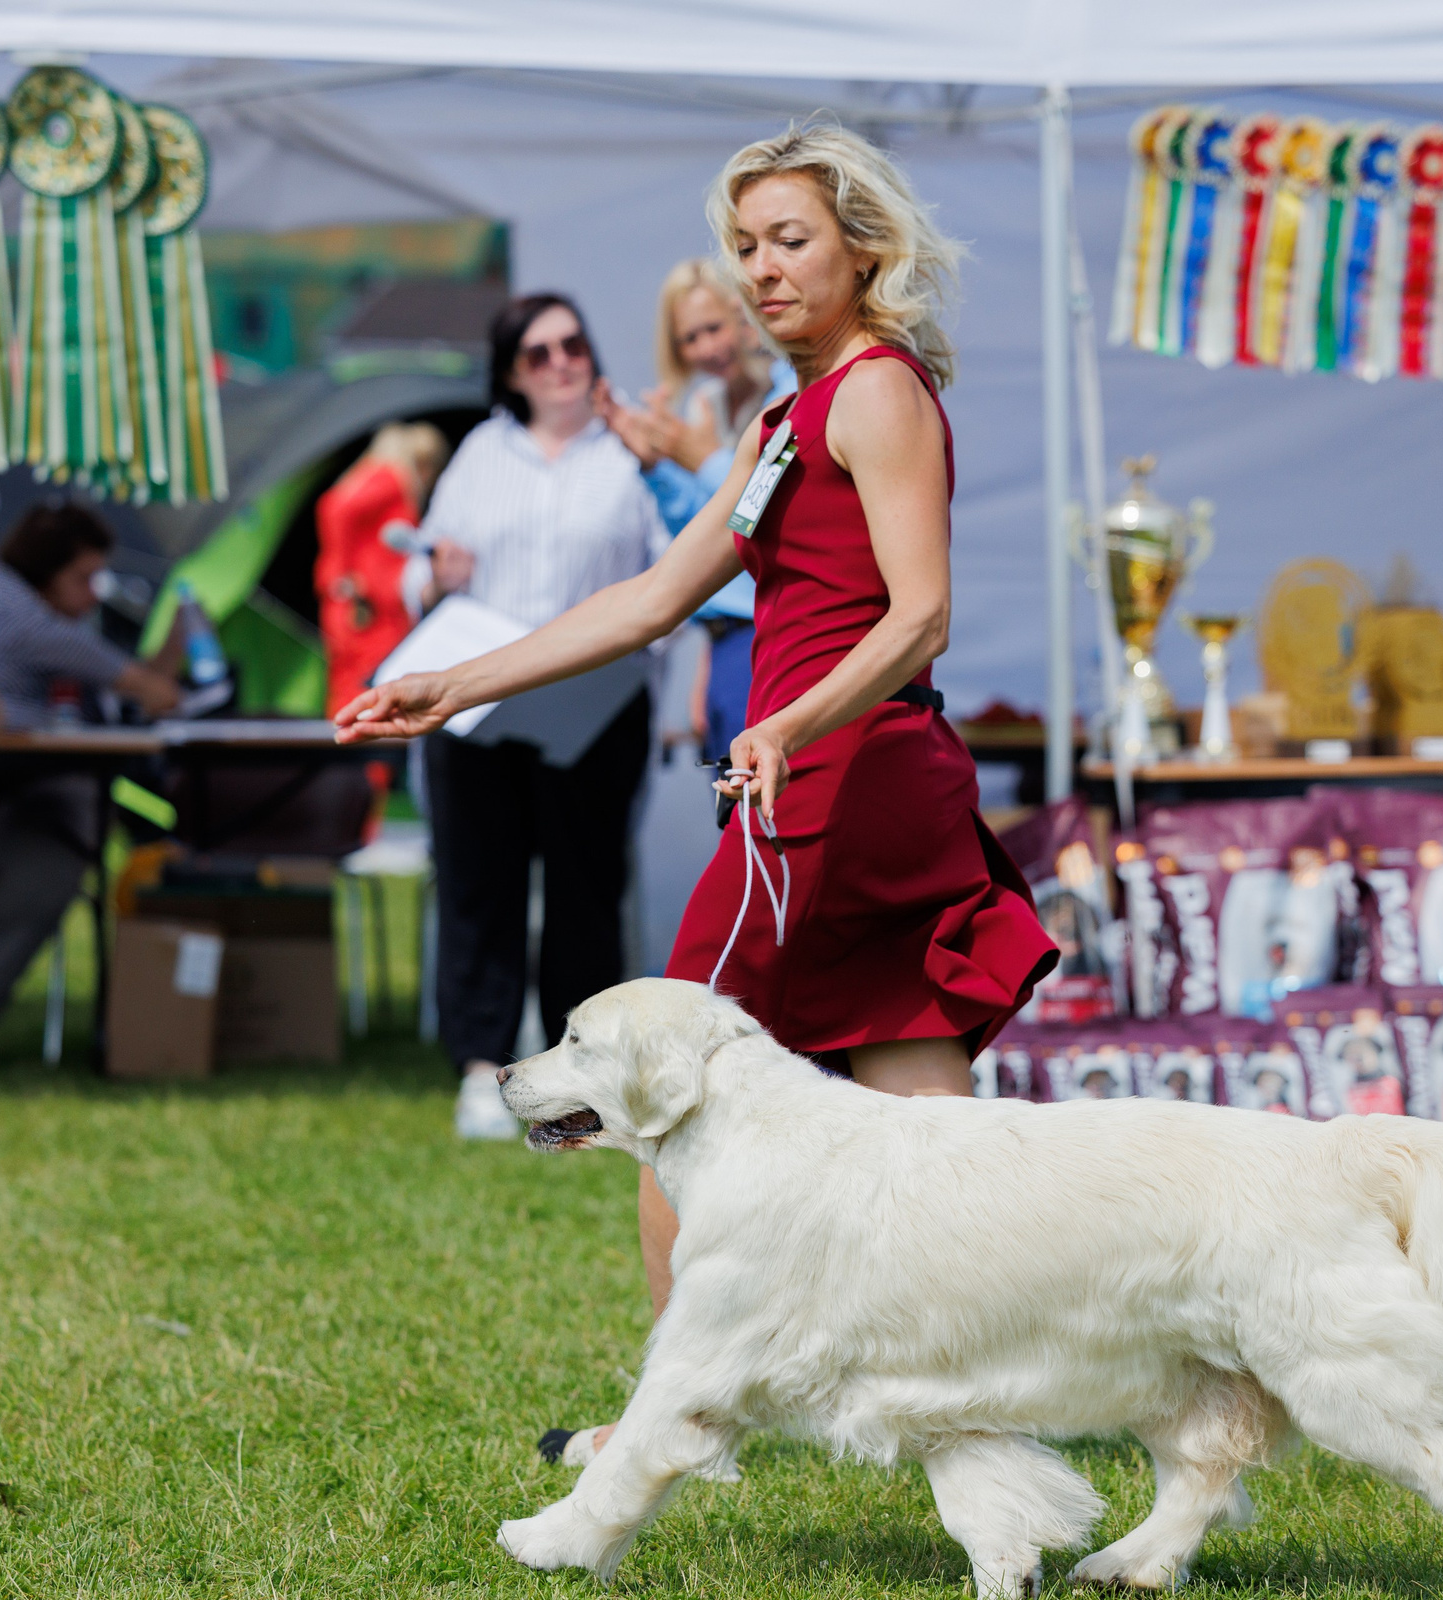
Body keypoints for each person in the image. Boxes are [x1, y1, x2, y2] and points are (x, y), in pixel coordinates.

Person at [337, 122, 1057, 1460]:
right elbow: (656, 597)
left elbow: (921, 616)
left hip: (838, 781)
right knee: (931, 1121)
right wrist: (459, 681)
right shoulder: (788, 413)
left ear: (865, 248)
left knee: (660, 1085)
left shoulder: (871, 394)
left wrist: (784, 722)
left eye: (791, 240)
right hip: (854, 770)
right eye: (746, 247)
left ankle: (675, 1423)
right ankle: (1014, 1392)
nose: (762, 270)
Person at [410, 292, 670, 1140]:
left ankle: (578, 1077)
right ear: (511, 371)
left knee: (584, 887)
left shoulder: (628, 451)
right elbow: (421, 573)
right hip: (482, 703)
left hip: (597, 703)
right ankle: (484, 1066)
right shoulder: (481, 454)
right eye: (538, 353)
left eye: (573, 345)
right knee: (478, 881)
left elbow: (675, 574)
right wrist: (437, 573)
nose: (561, 363)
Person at [0, 504, 185, 1070]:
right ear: (47, 571)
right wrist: (183, 635)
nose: (94, 595)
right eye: (84, 578)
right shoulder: (32, 624)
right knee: (50, 867)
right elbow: (154, 691)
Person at [603, 259, 798, 764]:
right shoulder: (709, 404)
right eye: (690, 338)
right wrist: (656, 468)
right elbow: (708, 531)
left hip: (774, 634)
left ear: (741, 314)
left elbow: (766, 509)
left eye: (713, 327)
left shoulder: (791, 392)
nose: (708, 348)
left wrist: (701, 459)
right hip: (729, 638)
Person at [315, 422, 448, 720]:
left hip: (368, 604)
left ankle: (359, 754)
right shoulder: (393, 479)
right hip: (370, 608)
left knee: (361, 683)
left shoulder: (374, 476)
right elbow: (334, 508)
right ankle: (368, 760)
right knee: (374, 683)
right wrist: (341, 574)